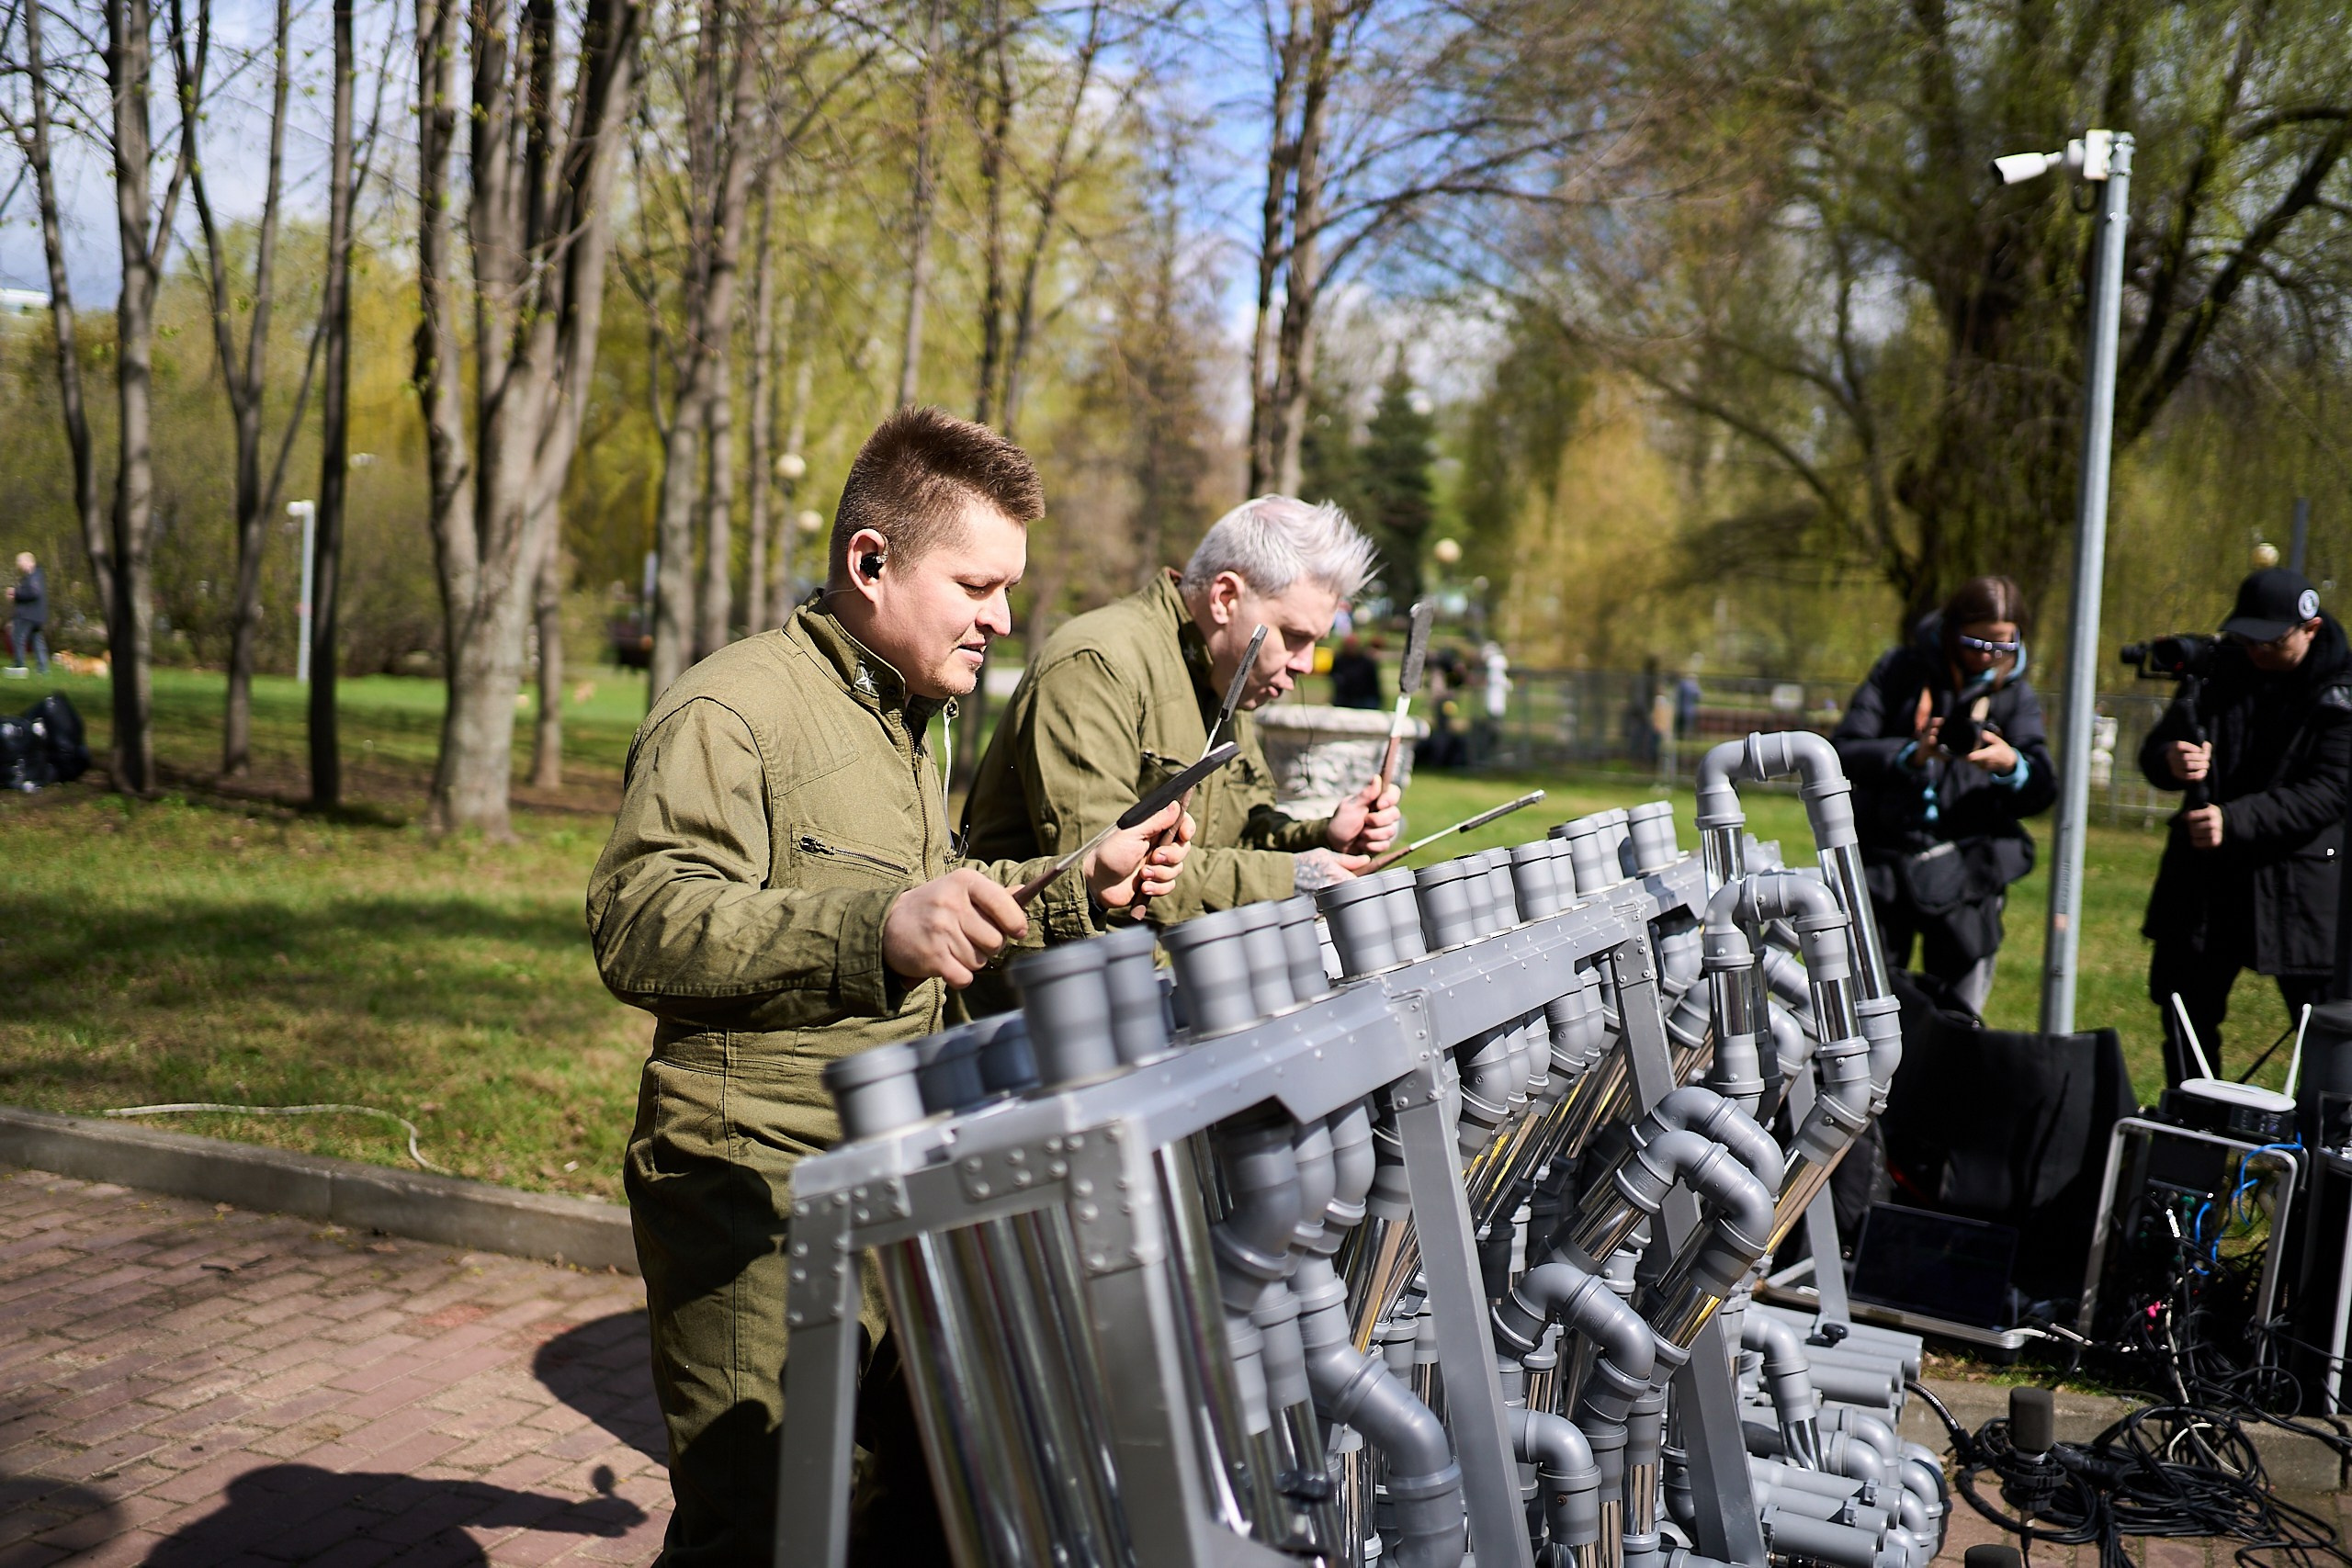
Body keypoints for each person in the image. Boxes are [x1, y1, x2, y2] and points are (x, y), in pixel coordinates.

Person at [587, 408, 1193, 1565]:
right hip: (755, 1189)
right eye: (976, 584)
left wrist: (1086, 883)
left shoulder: (913, 721)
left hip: (890, 1176)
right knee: (761, 1528)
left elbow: (938, 895)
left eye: (1007, 589)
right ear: (870, 563)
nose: (1002, 619)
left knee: (877, 1511)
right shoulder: (732, 710)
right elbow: (639, 924)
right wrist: (874, 928)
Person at [961, 495, 1402, 948]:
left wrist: (1324, 839)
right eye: (1294, 637)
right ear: (1226, 597)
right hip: (1034, 1005)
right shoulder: (1096, 663)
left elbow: (1240, 838)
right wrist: (1291, 877)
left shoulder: (1228, 674)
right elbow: (1106, 874)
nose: (1306, 664)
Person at [2140, 567, 2352, 1087]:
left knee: (2321, 1027)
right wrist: (2172, 759)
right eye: (2246, 638)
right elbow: (2156, 749)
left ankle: (2315, 1154)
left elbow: (2330, 790)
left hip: (2299, 888)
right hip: (2206, 886)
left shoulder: (2339, 693)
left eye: (2271, 641)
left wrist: (2234, 820)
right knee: (2187, 1015)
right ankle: (2195, 1137)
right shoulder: (2219, 673)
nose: (2256, 651)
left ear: (2311, 629)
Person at [1832, 576, 2057, 1016]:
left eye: (2004, 646)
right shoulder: (1900, 670)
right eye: (1977, 642)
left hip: (1968, 872)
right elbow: (1843, 751)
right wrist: (1910, 754)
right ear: (1952, 629)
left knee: (1957, 1019)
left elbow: (2043, 788)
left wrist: (2012, 766)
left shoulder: (2014, 695)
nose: (1989, 656)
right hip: (1885, 867)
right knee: (1867, 1011)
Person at [8, 553, 47, 677]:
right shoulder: (37, 575)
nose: (18, 566)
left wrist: (16, 593)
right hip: (38, 615)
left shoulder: (34, 576)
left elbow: (34, 593)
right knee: (37, 640)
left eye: (20, 563)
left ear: (28, 562)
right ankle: (43, 668)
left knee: (18, 637)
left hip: (28, 614)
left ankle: (19, 665)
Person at [1329, 632, 1382, 708]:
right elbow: (1333, 676)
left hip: (1364, 699)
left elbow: (1374, 684)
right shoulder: (1339, 660)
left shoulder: (1367, 662)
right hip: (1344, 699)